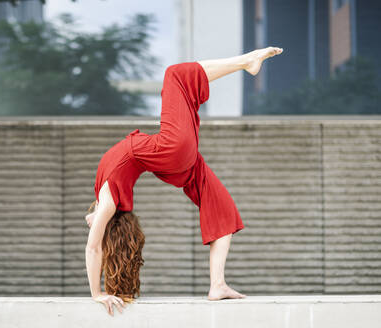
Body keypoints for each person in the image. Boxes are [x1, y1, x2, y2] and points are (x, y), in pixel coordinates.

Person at [85, 46, 284, 316]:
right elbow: (94, 247)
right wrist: (97, 294)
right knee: (175, 75)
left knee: (220, 205)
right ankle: (246, 61)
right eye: (95, 222)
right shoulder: (109, 202)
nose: (90, 220)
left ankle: (218, 284)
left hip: (172, 163)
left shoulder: (106, 195)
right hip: (168, 149)